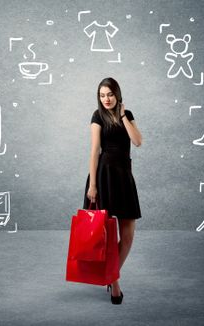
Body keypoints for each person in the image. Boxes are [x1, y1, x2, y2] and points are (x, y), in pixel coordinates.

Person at [83, 77, 142, 304]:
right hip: (104, 177)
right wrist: (93, 186)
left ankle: (110, 276)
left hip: (124, 177)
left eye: (109, 94)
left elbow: (137, 141)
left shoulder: (128, 115)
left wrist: (124, 115)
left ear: (117, 94)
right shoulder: (97, 116)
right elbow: (94, 149)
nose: (106, 99)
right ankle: (114, 282)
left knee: (127, 237)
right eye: (102, 95)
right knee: (108, 237)